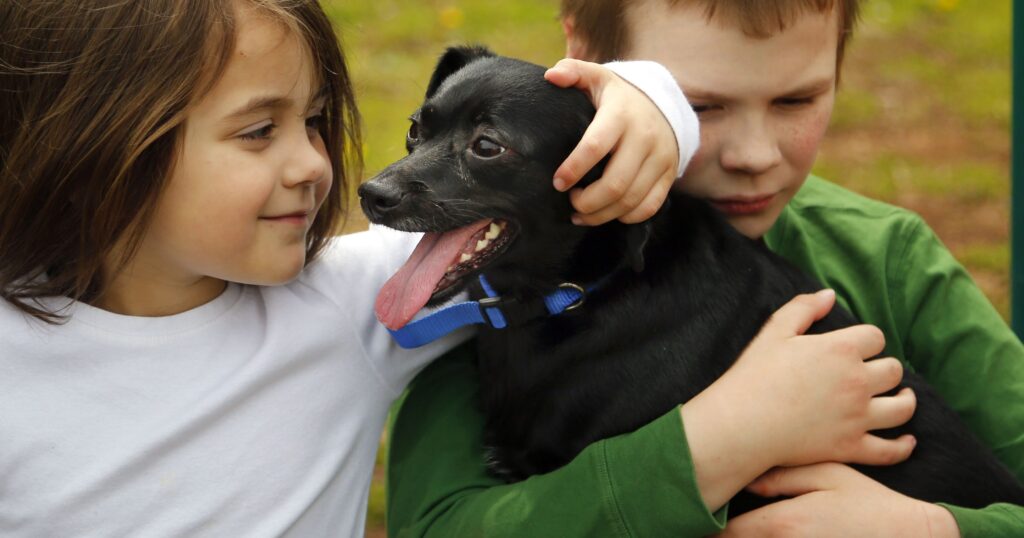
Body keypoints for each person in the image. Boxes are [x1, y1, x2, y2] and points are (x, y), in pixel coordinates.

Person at [0, 1, 703, 536]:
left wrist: (648, 106)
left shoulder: (349, 302)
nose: (314, 163)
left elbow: (644, 101)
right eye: (258, 132)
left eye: (313, 121)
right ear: (90, 152)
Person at [385, 1, 1024, 536]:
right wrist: (727, 436)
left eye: (796, 99)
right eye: (698, 107)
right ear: (587, 66)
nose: (754, 155)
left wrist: (935, 528)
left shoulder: (890, 258)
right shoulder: (505, 260)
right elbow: (441, 522)